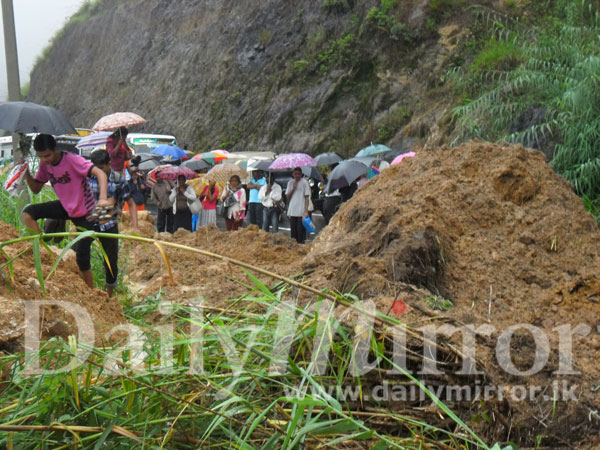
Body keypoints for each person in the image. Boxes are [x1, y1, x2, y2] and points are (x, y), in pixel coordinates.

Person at [22, 134, 112, 293]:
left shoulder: (72, 160)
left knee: (82, 258)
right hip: (66, 207)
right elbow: (36, 189)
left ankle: (91, 294)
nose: (45, 160)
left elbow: (101, 174)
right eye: (41, 157)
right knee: (29, 213)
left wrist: (103, 199)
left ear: (55, 149)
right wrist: (26, 172)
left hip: (86, 212)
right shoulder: (45, 165)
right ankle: (41, 253)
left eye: (48, 155)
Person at [88, 150, 128, 297]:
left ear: (109, 164)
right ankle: (87, 290)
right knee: (79, 254)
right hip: (89, 222)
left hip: (109, 224)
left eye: (101, 167)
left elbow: (126, 200)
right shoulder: (87, 177)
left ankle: (109, 295)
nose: (98, 171)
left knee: (111, 261)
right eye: (95, 168)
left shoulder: (118, 179)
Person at [106, 126, 140, 233]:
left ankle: (119, 215)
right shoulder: (111, 141)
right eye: (124, 136)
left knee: (122, 195)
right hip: (112, 170)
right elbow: (112, 154)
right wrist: (119, 144)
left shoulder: (123, 143)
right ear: (120, 134)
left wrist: (128, 155)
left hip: (120, 171)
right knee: (112, 194)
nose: (125, 138)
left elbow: (126, 156)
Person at [285, 167, 310, 244]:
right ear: (293, 174)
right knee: (293, 231)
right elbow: (287, 197)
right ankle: (294, 246)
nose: (297, 175)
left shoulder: (304, 183)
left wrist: (306, 211)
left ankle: (300, 245)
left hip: (301, 211)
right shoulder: (290, 183)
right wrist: (293, 188)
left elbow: (307, 198)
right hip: (292, 211)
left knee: (300, 231)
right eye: (295, 173)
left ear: (301, 174)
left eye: (299, 174)